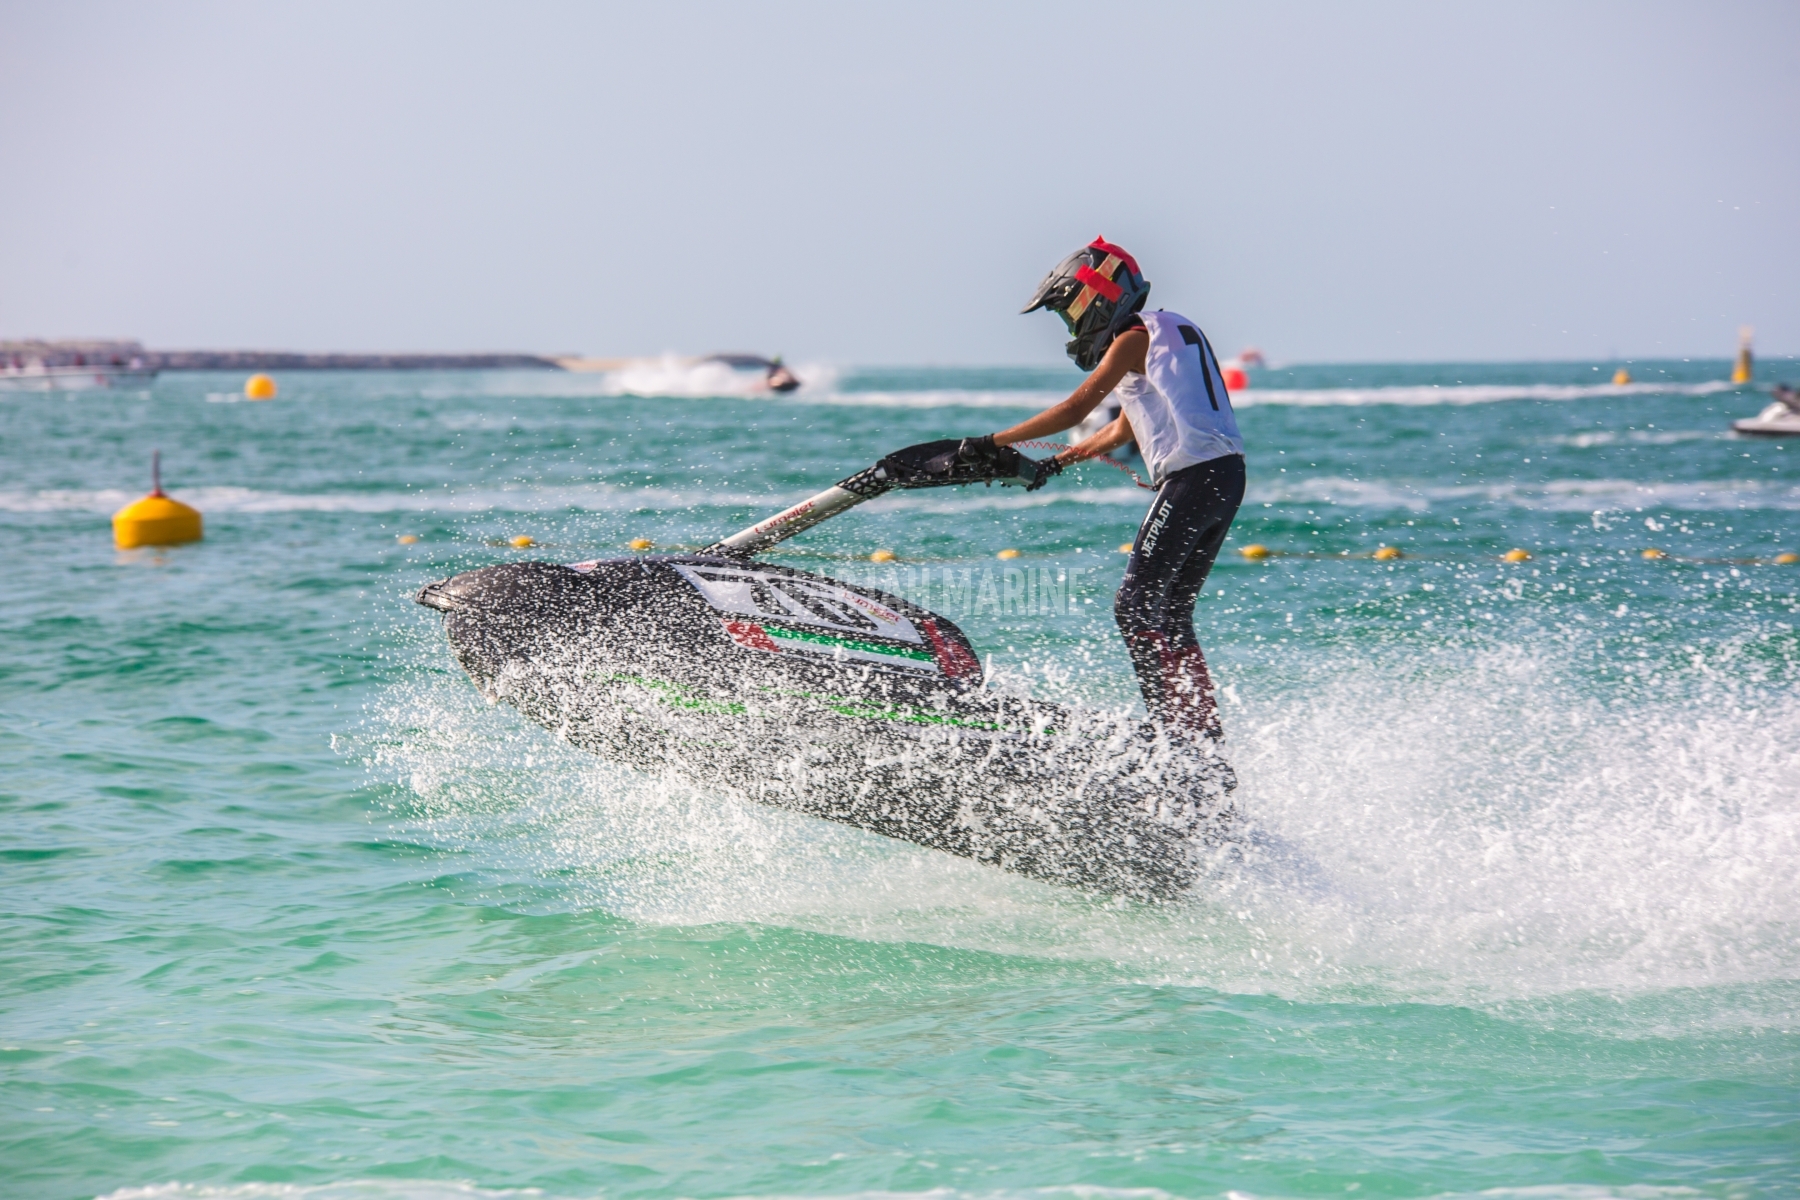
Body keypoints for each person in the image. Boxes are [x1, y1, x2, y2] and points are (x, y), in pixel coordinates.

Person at [957, 237, 1246, 742]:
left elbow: (1073, 411)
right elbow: (1123, 430)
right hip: (1225, 478)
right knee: (1172, 613)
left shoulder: (1131, 339)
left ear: (1097, 299)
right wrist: (1058, 463)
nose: (1071, 329)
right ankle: (1202, 735)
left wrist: (987, 443)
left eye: (1069, 314)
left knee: (1133, 606)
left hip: (1192, 479)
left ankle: (1173, 736)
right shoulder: (1170, 330)